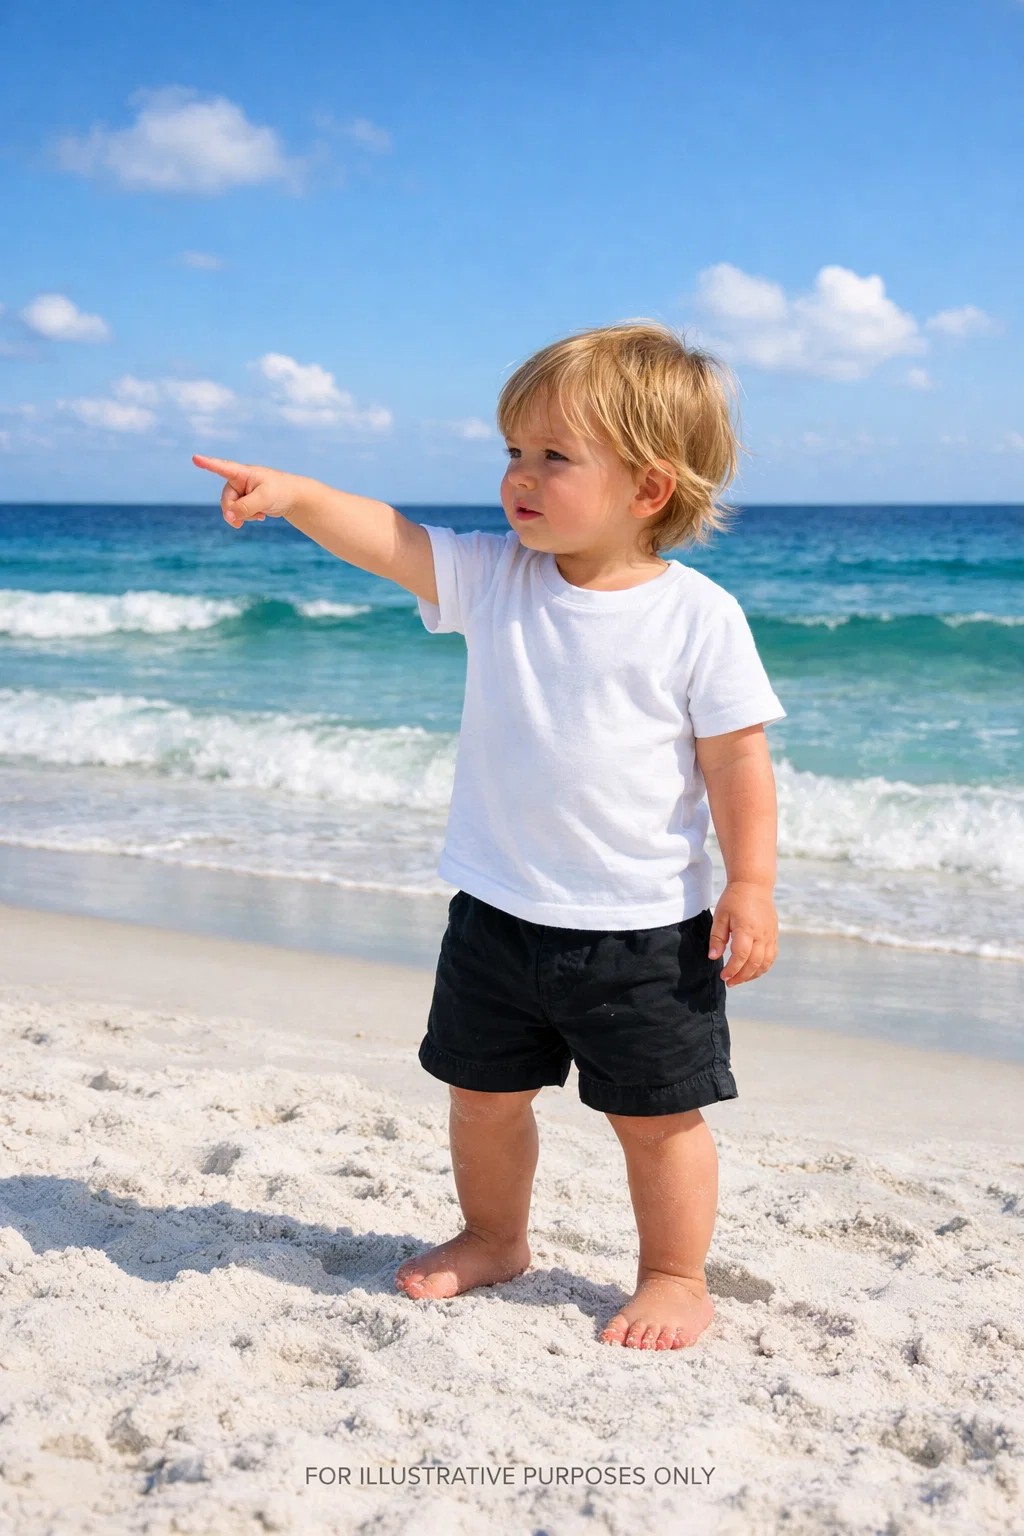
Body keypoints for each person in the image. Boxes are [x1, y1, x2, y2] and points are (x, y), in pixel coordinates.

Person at [193, 320, 784, 1352]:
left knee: (658, 1122)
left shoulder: (698, 617)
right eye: (513, 449)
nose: (519, 475)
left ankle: (673, 1274)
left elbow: (737, 761)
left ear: (648, 488)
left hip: (644, 930)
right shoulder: (498, 575)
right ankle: (495, 1237)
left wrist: (752, 884)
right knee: (482, 1099)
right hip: (497, 914)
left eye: (554, 456)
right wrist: (295, 495)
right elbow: (390, 539)